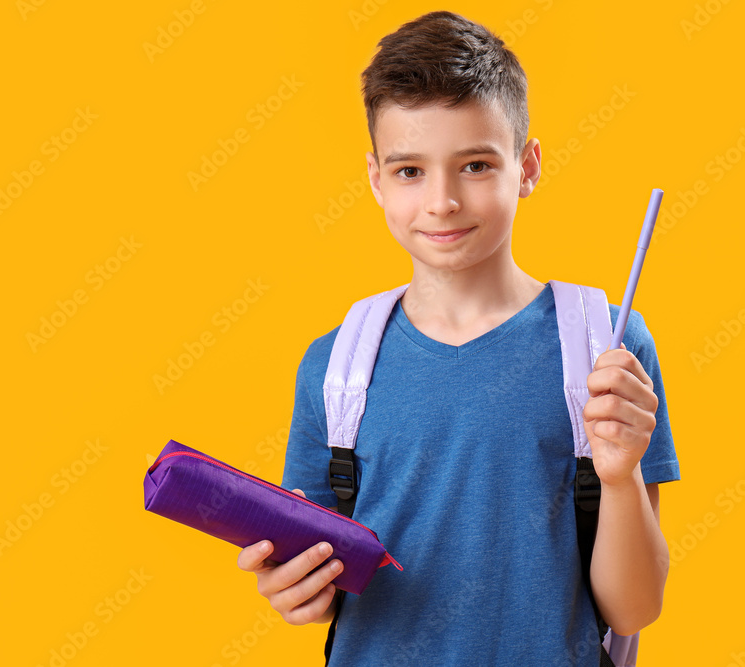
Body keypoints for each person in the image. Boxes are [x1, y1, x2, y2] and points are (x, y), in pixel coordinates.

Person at [236, 10, 680, 665]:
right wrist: (298, 587)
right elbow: (327, 583)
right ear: (375, 178)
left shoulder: (606, 346)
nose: (441, 200)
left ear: (526, 167)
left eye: (474, 164)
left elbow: (634, 607)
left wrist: (619, 477)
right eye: (410, 171)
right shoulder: (335, 366)